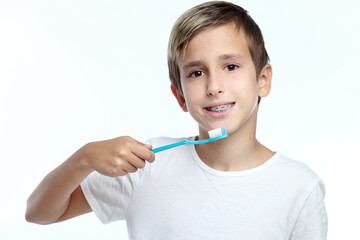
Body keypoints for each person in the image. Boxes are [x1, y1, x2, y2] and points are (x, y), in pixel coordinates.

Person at [26, 1, 328, 239]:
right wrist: (84, 158)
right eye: (196, 73)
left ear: (263, 80)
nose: (214, 86)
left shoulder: (300, 188)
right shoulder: (146, 167)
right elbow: (38, 212)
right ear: (180, 96)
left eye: (231, 66)